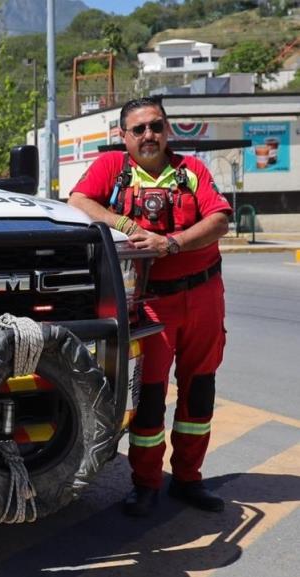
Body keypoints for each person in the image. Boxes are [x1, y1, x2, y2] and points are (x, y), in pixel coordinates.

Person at [68, 97, 231, 518]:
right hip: (151, 302)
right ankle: (146, 484)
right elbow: (79, 201)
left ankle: (189, 479)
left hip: (204, 295)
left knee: (199, 390)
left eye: (156, 126)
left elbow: (218, 221)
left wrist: (170, 242)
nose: (148, 136)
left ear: (168, 130)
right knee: (151, 397)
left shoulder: (191, 171)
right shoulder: (113, 169)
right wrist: (128, 226)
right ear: (122, 136)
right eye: (138, 129)